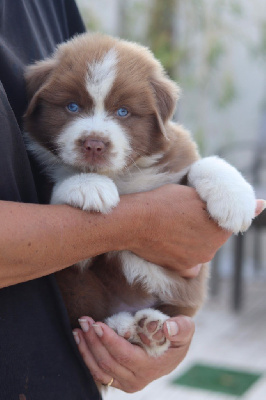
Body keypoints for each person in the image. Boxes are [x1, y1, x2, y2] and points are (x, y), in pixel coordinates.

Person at [1, 1, 264, 398]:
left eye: (124, 111)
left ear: (161, 115)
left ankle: (140, 326)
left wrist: (212, 174)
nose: (95, 135)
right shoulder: (56, 165)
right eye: (72, 106)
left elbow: (191, 184)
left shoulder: (48, 6)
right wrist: (137, 221)